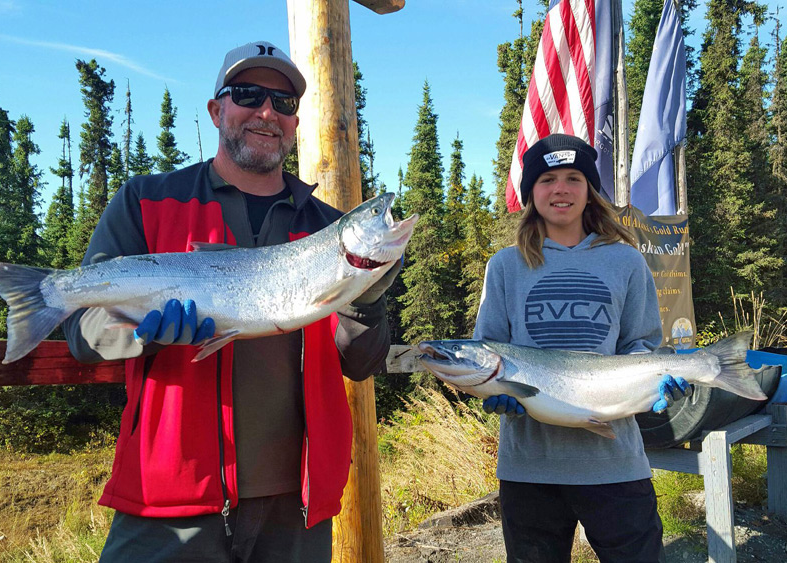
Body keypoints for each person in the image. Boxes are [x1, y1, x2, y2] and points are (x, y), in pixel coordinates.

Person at [63, 41, 398, 563]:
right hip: (168, 498)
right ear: (217, 110)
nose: (267, 112)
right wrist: (142, 333)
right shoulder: (145, 202)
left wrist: (366, 301)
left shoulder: (328, 229)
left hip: (298, 510)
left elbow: (361, 363)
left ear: (294, 123)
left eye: (284, 103)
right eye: (248, 95)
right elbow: (81, 335)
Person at [473, 133, 689, 563]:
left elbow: (640, 343)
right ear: (530, 192)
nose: (561, 189)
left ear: (590, 190)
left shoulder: (626, 261)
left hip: (615, 462)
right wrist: (495, 395)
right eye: (547, 179)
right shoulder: (504, 267)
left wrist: (654, 378)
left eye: (574, 178)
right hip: (528, 468)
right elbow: (486, 353)